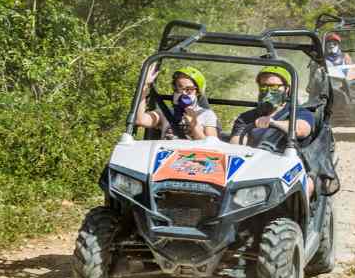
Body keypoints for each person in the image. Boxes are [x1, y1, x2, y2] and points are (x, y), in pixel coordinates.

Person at [230, 66, 317, 198]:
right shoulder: (246, 117)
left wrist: (272, 123)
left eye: (274, 87)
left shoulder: (299, 113)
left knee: (308, 184)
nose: (268, 91)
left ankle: (303, 217)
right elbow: (235, 146)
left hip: (290, 167)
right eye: (263, 86)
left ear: (287, 89)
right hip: (255, 167)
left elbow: (301, 130)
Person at [135, 65, 219, 140]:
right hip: (167, 155)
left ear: (197, 92)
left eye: (188, 89)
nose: (183, 93)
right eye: (179, 87)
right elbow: (140, 120)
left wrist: (194, 125)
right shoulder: (166, 113)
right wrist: (144, 85)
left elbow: (212, 147)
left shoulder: (206, 114)